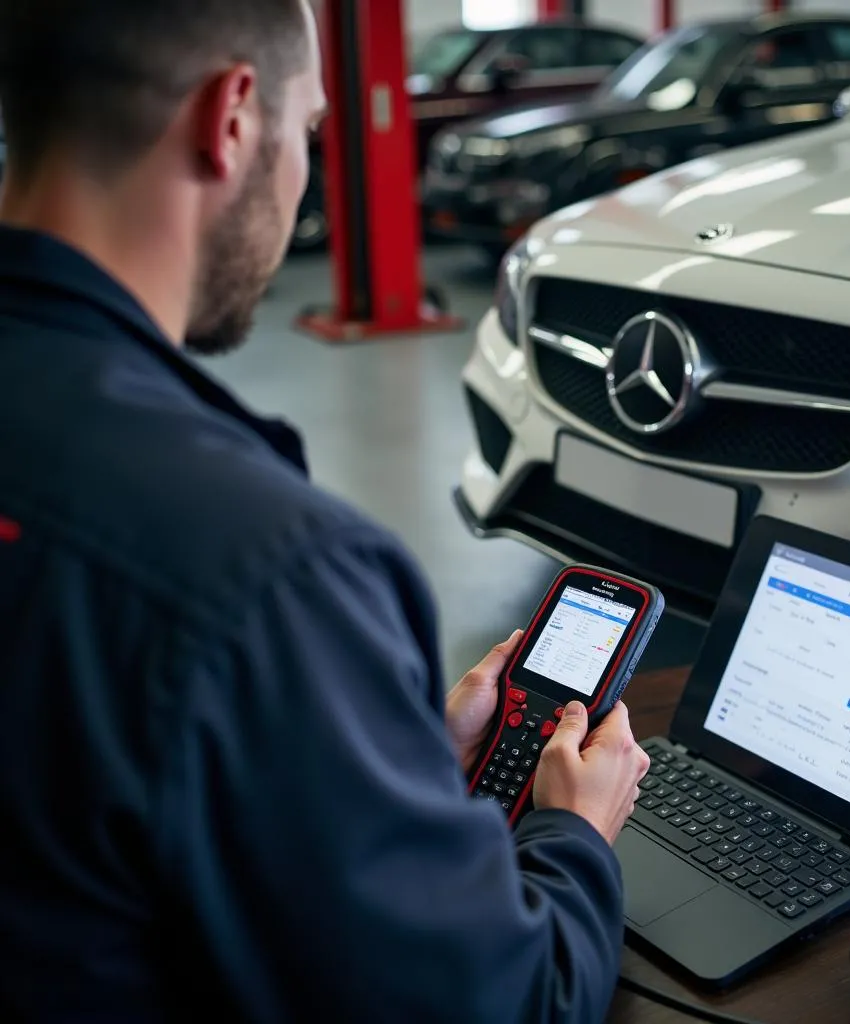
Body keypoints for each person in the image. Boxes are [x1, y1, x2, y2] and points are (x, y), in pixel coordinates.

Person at [0, 2, 651, 1021]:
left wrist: (372, 754)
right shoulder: (267, 567)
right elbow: (500, 1002)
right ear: (231, 116)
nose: (307, 169)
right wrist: (575, 832)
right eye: (308, 133)